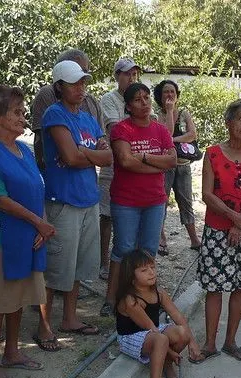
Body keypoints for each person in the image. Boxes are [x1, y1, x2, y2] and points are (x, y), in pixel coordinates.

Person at [0, 85, 55, 378]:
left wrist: (42, 225)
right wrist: (38, 222)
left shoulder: (26, 151)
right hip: (2, 237)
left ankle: (12, 352)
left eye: (23, 112)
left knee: (19, 298)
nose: (23, 118)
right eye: (17, 112)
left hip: (30, 235)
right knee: (0, 301)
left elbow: (37, 191)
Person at [35, 60, 112, 351]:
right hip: (63, 201)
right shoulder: (54, 114)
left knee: (79, 266)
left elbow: (108, 157)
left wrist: (85, 153)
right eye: (75, 83)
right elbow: (70, 157)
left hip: (88, 200)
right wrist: (89, 154)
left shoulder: (87, 117)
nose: (81, 88)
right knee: (56, 268)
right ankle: (44, 327)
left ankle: (69, 319)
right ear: (59, 86)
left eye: (83, 82)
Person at [196, 99, 241, 362]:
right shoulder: (213, 153)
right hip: (218, 229)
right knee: (215, 287)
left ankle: (230, 342)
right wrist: (232, 218)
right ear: (229, 122)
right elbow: (207, 193)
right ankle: (209, 344)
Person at [100, 83, 176, 316]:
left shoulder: (161, 130)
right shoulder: (121, 130)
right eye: (137, 99)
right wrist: (156, 166)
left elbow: (172, 160)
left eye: (146, 98)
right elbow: (124, 161)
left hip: (154, 200)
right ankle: (111, 298)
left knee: (148, 250)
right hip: (126, 201)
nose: (144, 103)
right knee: (123, 249)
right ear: (128, 106)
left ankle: (145, 297)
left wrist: (142, 157)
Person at [116, 249, 203, 378]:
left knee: (182, 332)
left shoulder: (159, 292)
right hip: (131, 337)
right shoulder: (131, 300)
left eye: (152, 267)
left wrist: (192, 342)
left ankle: (166, 364)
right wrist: (170, 351)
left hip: (153, 331)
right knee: (162, 339)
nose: (151, 272)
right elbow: (150, 328)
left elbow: (177, 316)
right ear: (131, 277)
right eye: (144, 270)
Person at [98, 57, 141, 289]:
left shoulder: (140, 98)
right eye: (126, 74)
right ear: (117, 76)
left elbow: (152, 128)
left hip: (136, 168)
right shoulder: (109, 100)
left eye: (134, 74)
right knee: (106, 216)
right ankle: (104, 263)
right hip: (112, 166)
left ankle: (127, 265)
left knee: (131, 217)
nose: (131, 78)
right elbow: (116, 130)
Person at [30, 49, 104, 168]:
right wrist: (96, 157)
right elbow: (68, 156)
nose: (80, 76)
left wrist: (84, 153)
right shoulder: (48, 97)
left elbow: (107, 154)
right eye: (74, 73)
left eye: (84, 72)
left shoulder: (91, 101)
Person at [154, 79, 202, 255]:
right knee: (162, 202)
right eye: (166, 92)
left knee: (186, 202)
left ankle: (194, 239)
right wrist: (168, 111)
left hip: (183, 164)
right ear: (160, 96)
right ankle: (161, 238)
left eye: (172, 92)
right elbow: (163, 133)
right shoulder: (157, 115)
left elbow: (192, 135)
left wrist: (172, 141)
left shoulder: (184, 113)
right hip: (165, 165)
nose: (169, 95)